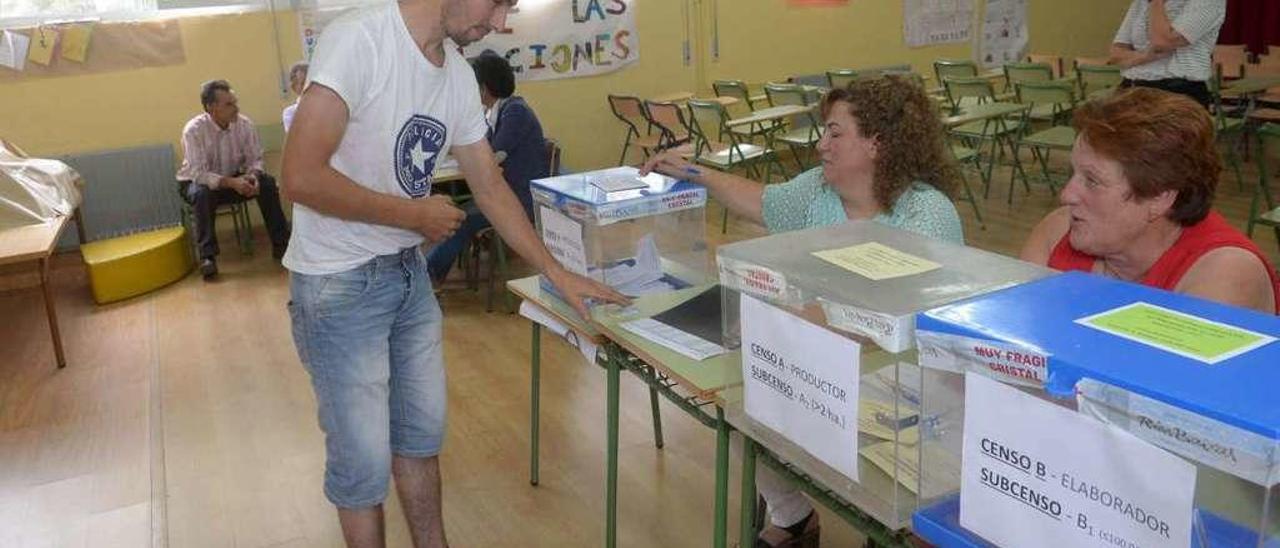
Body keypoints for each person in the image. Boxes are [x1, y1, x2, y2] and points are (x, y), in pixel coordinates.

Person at [279, 0, 626, 546]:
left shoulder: (458, 76)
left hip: (408, 277)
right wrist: (412, 215)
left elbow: (490, 187)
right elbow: (298, 176)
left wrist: (558, 273)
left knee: (419, 438)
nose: (502, 22)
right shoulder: (359, 40)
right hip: (338, 284)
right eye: (499, 4)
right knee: (362, 465)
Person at [644, 75, 964, 548]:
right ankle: (793, 517)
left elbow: (901, 324)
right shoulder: (819, 191)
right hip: (816, 359)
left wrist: (784, 325)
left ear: (877, 143)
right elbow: (761, 201)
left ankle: (892, 528)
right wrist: (696, 173)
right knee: (736, 398)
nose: (821, 146)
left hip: (900, 382)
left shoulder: (926, 214)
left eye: (836, 134)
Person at [1022, 87, 1278, 314]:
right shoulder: (1056, 232)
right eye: (1073, 173)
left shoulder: (1225, 273)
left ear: (1160, 197)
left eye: (1092, 181)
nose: (1066, 195)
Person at [425, 51, 548, 283]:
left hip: (520, 198)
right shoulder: (494, 112)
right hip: (504, 191)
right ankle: (431, 270)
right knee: (457, 209)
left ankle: (430, 274)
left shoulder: (515, 112)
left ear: (483, 87)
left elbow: (491, 156)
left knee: (459, 217)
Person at [176, 79, 291, 279]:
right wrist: (233, 183)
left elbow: (255, 159)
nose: (236, 108)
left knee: (267, 183)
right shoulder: (193, 131)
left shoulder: (244, 124)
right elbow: (198, 174)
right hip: (197, 182)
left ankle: (282, 245)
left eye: (235, 102)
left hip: (233, 178)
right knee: (202, 194)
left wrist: (252, 177)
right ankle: (208, 258)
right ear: (211, 108)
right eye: (229, 104)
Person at [1108, 0, 1226, 108]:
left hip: (1176, 92)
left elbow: (1162, 42)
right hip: (1131, 88)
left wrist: (1156, 3)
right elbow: (1116, 53)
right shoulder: (1141, 2)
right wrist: (1145, 56)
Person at [283, 61, 309, 132]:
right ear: (294, 87)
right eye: (303, 83)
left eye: (311, 82)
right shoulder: (291, 113)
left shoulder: (330, 106)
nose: (308, 86)